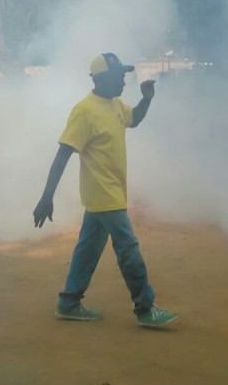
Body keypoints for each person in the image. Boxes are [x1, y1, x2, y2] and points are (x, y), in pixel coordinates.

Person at [33, 53, 178, 328]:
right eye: (118, 77)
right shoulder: (85, 110)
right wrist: (46, 197)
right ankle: (145, 308)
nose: (124, 82)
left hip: (109, 193)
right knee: (128, 248)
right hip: (104, 193)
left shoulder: (115, 105)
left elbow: (134, 119)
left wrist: (146, 99)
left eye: (123, 76)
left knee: (88, 248)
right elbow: (63, 153)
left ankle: (69, 302)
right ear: (100, 79)